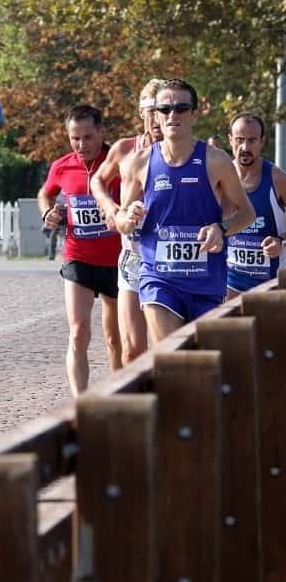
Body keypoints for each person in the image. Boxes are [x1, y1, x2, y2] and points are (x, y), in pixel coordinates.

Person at [117, 79, 255, 343]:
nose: (173, 115)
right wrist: (129, 215)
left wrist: (221, 228)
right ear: (156, 115)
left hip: (206, 281)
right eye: (165, 109)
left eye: (181, 108)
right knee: (170, 358)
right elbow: (121, 221)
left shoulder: (216, 160)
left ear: (194, 113)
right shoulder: (138, 162)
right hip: (159, 279)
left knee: (202, 365)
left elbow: (246, 213)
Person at [38, 104, 122, 398]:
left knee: (114, 338)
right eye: (75, 138)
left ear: (101, 132)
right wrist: (47, 211)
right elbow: (45, 192)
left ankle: (118, 394)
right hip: (78, 257)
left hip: (116, 261)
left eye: (88, 137)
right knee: (78, 332)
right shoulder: (62, 166)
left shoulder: (118, 162)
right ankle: (80, 402)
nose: (81, 145)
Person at [91, 78, 164, 364]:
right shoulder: (125, 149)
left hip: (168, 259)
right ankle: (129, 406)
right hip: (133, 257)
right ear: (140, 113)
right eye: (150, 111)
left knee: (166, 346)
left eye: (163, 110)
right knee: (132, 348)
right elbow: (97, 179)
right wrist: (110, 207)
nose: (157, 118)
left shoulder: (182, 153)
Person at [226, 112, 286, 297]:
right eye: (239, 140)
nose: (245, 147)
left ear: (262, 141)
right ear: (230, 140)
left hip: (273, 281)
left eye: (252, 140)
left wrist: (281, 242)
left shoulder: (277, 178)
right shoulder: (221, 178)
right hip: (231, 280)